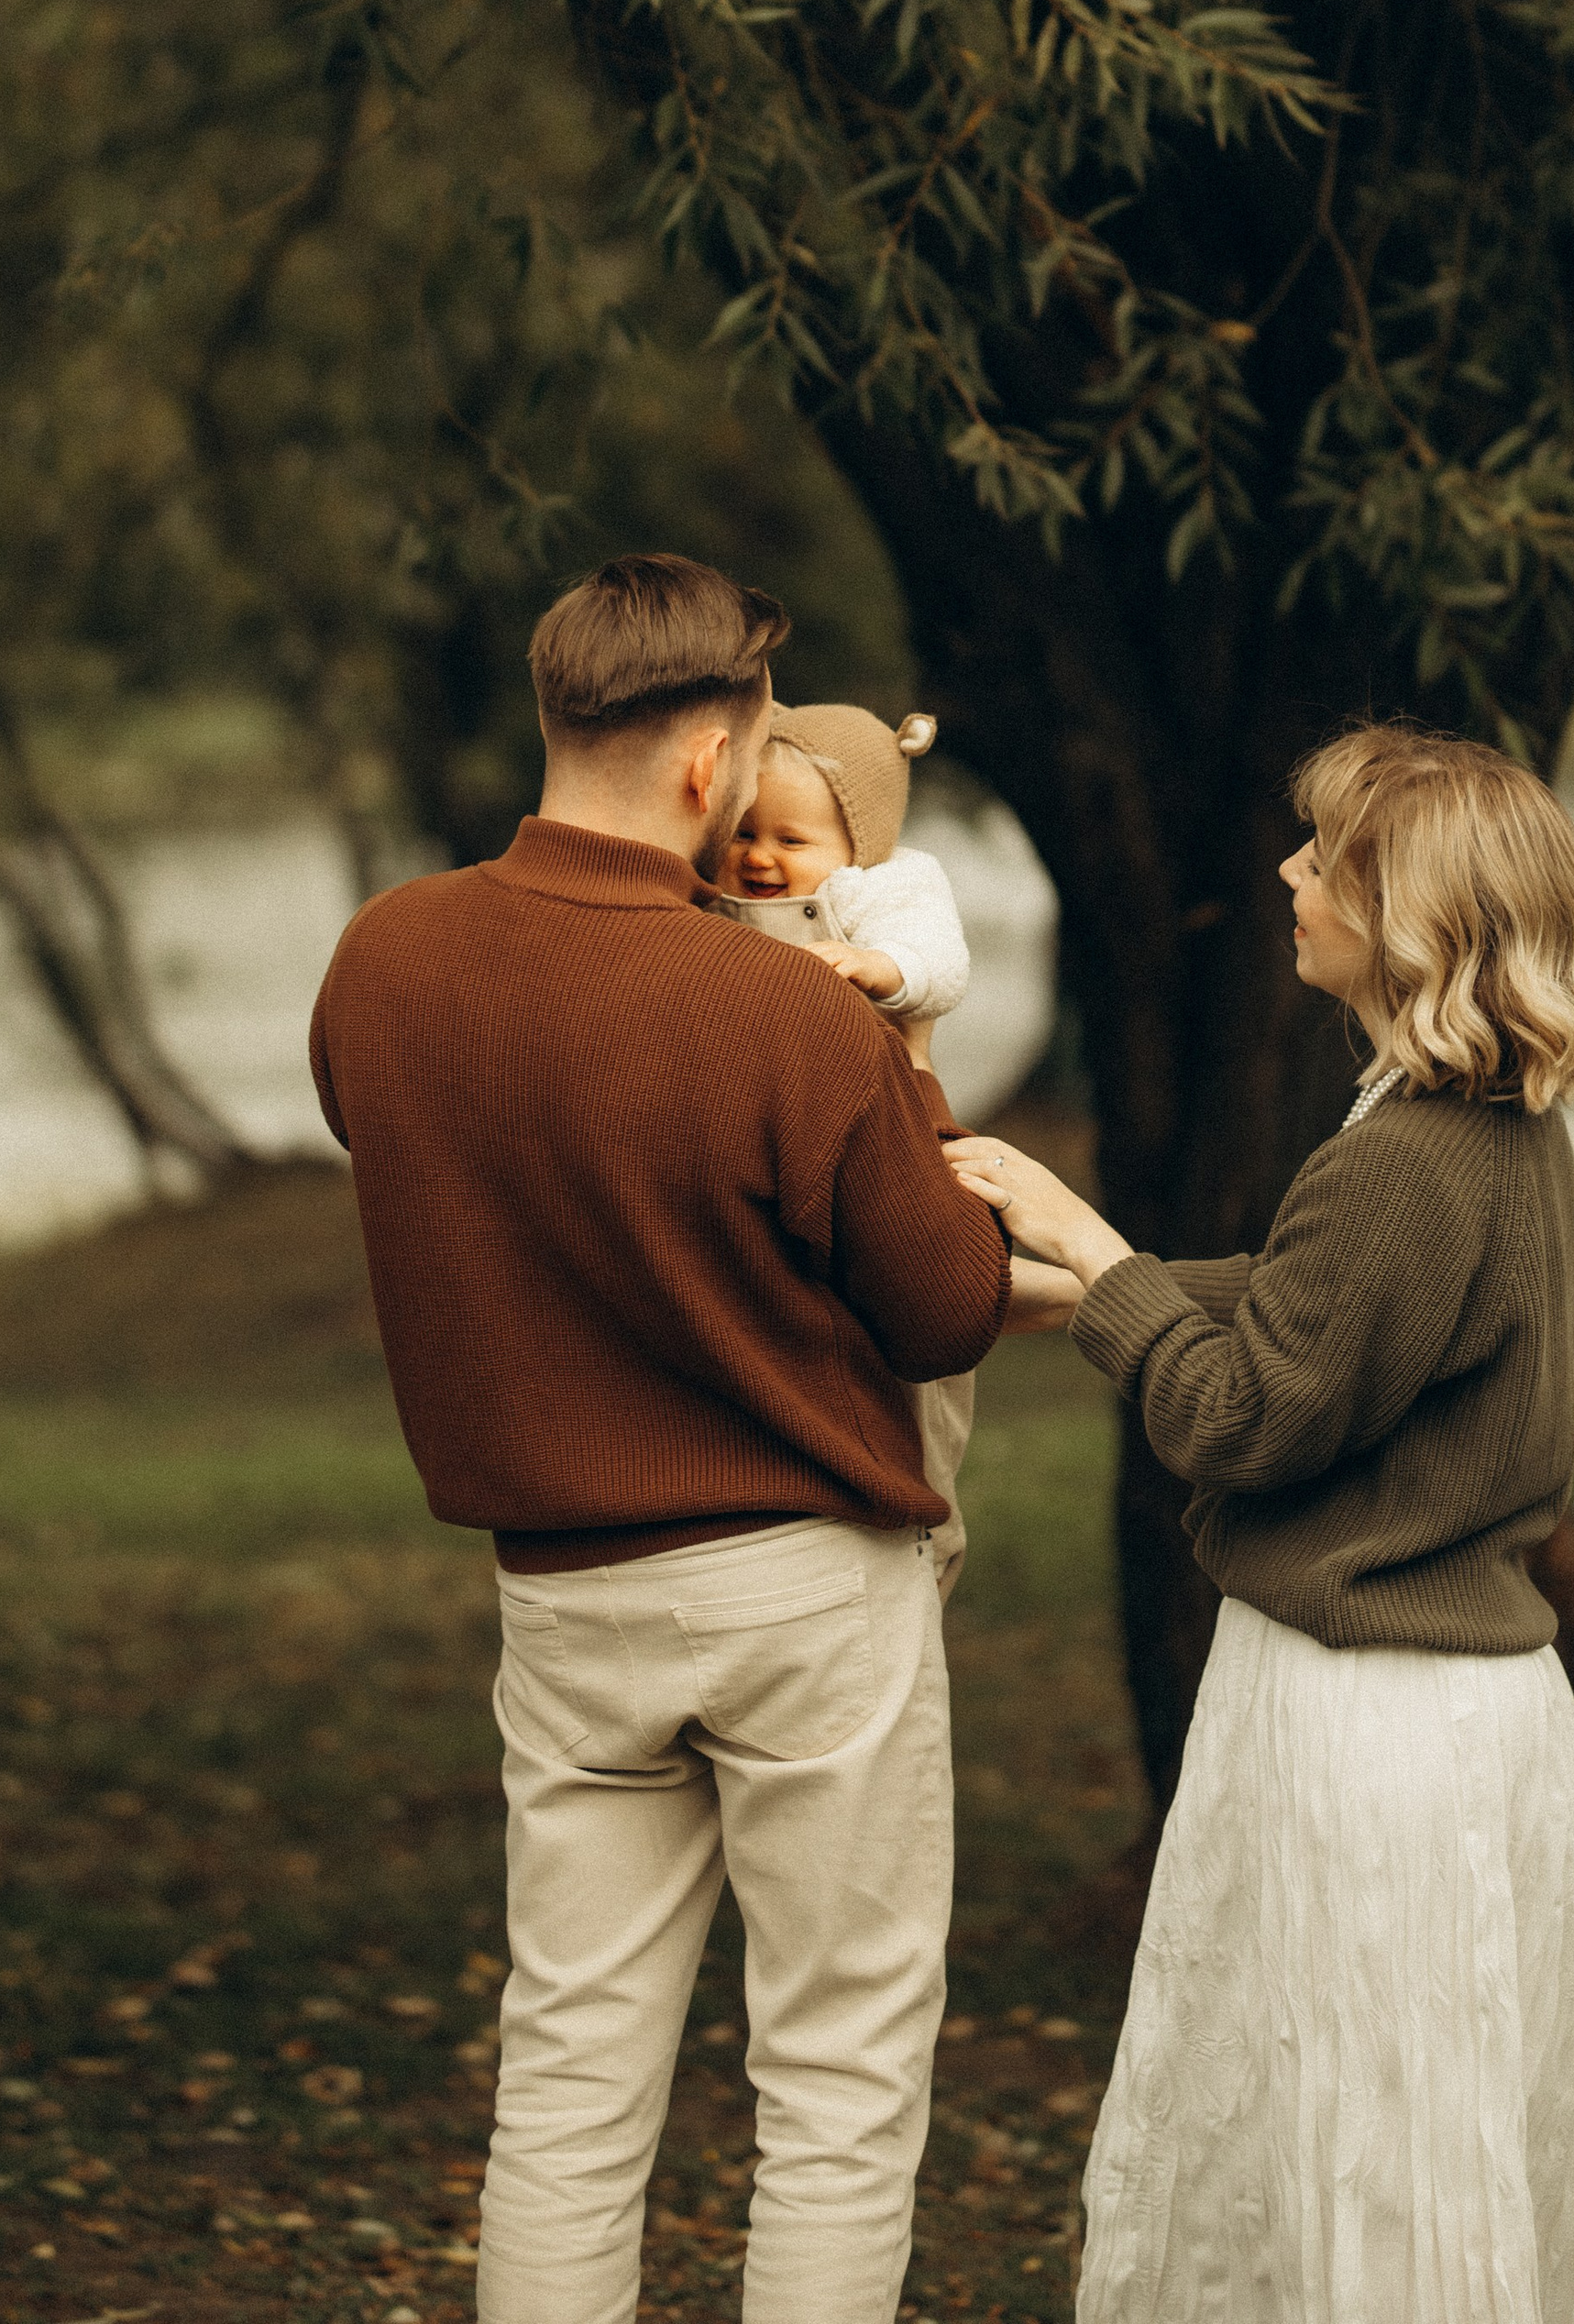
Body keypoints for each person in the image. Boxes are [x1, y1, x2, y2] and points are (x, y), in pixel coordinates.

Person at [308, 554, 1057, 2324]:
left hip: (565, 1599)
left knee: (567, 2074)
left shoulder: (382, 965)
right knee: (838, 2081)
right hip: (805, 1593)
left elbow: (444, 1168)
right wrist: (911, 1069)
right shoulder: (791, 1009)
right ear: (717, 766)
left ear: (559, 716)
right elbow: (945, 1305)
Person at [948, 718, 1574, 2324]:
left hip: (1376, 1734)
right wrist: (1074, 1296)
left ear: (1408, 912)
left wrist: (1082, 1239)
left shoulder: (1407, 1161)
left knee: (1376, 2141)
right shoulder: (1485, 1132)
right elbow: (1311, 1313)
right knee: (1403, 2125)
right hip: (1455, 1712)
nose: (1284, 870)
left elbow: (1245, 1413)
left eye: (1321, 854)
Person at [714, 702, 980, 1593]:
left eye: (790, 837)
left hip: (892, 1140)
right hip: (784, 1146)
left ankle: (933, 1527)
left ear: (857, 841)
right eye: (743, 831)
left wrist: (885, 970)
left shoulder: (884, 889)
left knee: (922, 1374)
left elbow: (941, 962)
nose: (759, 857)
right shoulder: (717, 895)